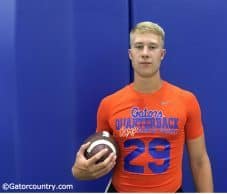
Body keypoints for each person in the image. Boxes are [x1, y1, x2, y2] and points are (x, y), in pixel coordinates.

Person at [72, 21, 214, 192]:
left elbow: (199, 161)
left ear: (162, 54)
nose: (145, 53)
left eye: (152, 47)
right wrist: (80, 171)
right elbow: (98, 158)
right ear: (130, 54)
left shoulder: (186, 101)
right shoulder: (108, 104)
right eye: (139, 47)